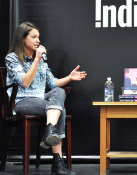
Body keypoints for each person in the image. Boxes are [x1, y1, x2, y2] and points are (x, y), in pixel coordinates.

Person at [5, 22, 87, 175]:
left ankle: (50, 130)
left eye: (39, 37)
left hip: (41, 99)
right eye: (33, 37)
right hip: (22, 102)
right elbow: (25, 82)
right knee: (60, 110)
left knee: (59, 91)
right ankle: (57, 163)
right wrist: (36, 59)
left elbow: (53, 82)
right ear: (23, 38)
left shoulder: (41, 59)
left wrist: (69, 77)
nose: (38, 40)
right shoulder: (12, 58)